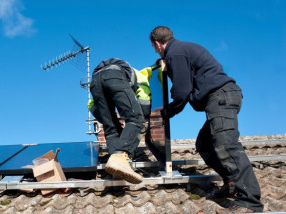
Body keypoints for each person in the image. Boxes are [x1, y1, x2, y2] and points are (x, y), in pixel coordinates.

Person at [149, 26, 263, 213]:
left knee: (226, 145)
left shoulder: (175, 53)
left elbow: (182, 90)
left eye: (154, 48)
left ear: (157, 44)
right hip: (222, 97)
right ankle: (232, 181)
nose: (156, 51)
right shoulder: (181, 50)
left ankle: (250, 202)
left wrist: (167, 111)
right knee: (204, 144)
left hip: (220, 97)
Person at [88, 58, 155, 184]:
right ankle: (120, 156)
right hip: (114, 76)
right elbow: (144, 108)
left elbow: (91, 105)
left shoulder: (100, 74)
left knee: (112, 129)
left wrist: (110, 121)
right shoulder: (142, 76)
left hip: (94, 83)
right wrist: (138, 116)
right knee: (136, 120)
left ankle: (117, 169)